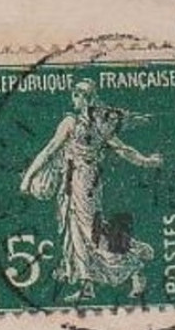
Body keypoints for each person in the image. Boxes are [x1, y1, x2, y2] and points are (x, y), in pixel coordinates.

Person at [19, 79, 165, 303]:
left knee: (89, 232)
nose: (74, 99)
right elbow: (123, 149)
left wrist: (28, 178)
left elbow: (49, 151)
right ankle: (86, 285)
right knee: (78, 230)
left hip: (81, 182)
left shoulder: (72, 122)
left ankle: (134, 268)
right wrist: (146, 161)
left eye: (77, 95)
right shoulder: (98, 124)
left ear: (84, 98)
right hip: (82, 181)